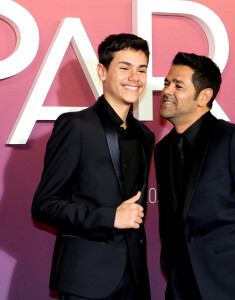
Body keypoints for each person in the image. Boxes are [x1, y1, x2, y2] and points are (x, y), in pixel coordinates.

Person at [154, 52, 235, 300]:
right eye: (166, 83)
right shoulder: (163, 150)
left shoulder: (234, 140)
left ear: (203, 96)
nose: (167, 91)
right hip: (182, 288)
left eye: (178, 85)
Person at [32, 33, 154, 300]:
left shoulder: (145, 136)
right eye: (124, 67)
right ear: (102, 71)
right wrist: (110, 217)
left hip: (133, 279)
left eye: (141, 69)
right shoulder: (76, 126)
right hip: (85, 280)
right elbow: (44, 205)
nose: (135, 77)